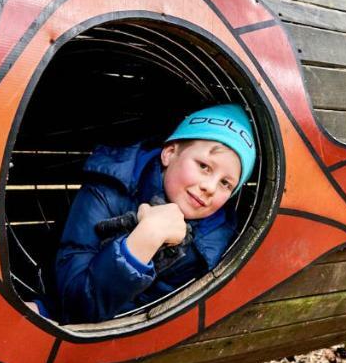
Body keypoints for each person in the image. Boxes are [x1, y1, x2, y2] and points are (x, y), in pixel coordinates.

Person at [54, 104, 257, 324]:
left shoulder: (212, 242)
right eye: (204, 166)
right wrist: (143, 241)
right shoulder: (110, 190)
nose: (210, 187)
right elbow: (74, 305)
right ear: (169, 153)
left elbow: (153, 319)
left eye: (226, 183)